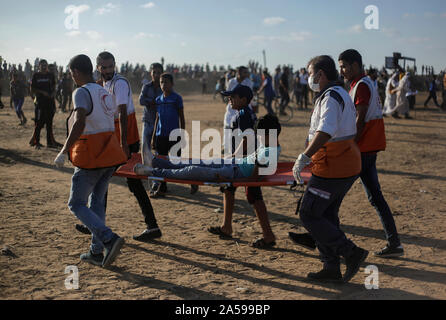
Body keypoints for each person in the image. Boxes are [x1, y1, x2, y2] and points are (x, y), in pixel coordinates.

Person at [291, 55, 368, 283]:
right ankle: (331, 267)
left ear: (321, 74)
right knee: (325, 214)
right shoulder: (334, 94)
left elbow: (325, 130)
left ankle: (351, 252)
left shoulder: (331, 97)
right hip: (340, 164)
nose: (308, 78)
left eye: (310, 73)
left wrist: (304, 156)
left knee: (308, 212)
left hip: (333, 167)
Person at [53, 54, 126, 267]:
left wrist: (65, 149)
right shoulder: (103, 91)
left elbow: (79, 122)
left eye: (71, 73)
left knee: (76, 203)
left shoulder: (81, 92)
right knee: (97, 204)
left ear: (76, 72)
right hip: (109, 156)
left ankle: (108, 238)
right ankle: (96, 251)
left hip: (91, 156)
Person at [338, 49, 403, 256]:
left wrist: (351, 145)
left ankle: (322, 238)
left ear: (355, 65)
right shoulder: (361, 84)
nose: (342, 71)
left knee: (333, 194)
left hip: (361, 150)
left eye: (344, 66)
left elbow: (360, 118)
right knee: (376, 197)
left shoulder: (362, 85)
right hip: (367, 149)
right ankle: (395, 244)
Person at [96, 51, 162, 242]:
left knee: (130, 182)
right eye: (104, 67)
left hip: (126, 138)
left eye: (110, 67)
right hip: (115, 137)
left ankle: (152, 226)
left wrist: (124, 143)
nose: (108, 70)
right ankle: (96, 223)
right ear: (98, 67)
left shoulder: (120, 83)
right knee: (105, 180)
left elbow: (123, 112)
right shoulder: (104, 84)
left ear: (115, 65)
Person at [215, 85, 277, 248]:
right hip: (248, 160)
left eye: (232, 97)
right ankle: (226, 226)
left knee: (254, 196)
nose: (229, 99)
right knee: (229, 189)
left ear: (243, 99)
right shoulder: (246, 112)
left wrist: (232, 157)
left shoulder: (243, 114)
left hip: (246, 162)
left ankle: (268, 235)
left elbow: (246, 139)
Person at [151, 73, 190, 197]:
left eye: (166, 82)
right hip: (161, 136)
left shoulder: (177, 98)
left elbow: (181, 118)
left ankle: (192, 181)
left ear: (172, 84)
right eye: (161, 82)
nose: (163, 85)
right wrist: (153, 136)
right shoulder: (158, 100)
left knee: (175, 163)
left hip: (174, 136)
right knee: (161, 163)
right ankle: (162, 188)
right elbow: (157, 119)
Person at [29, 59, 62, 149]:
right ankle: (36, 141)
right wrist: (42, 93)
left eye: (45, 65)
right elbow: (32, 89)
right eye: (42, 65)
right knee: (39, 122)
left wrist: (53, 94)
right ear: (39, 66)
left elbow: (54, 87)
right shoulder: (36, 75)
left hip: (50, 102)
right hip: (40, 102)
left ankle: (50, 142)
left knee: (49, 123)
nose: (44, 67)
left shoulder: (50, 75)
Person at [222, 66, 253, 153]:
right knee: (228, 128)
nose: (247, 74)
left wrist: (235, 156)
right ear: (238, 73)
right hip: (233, 109)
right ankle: (226, 146)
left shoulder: (243, 114)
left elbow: (247, 139)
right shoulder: (232, 81)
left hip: (241, 107)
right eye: (245, 72)